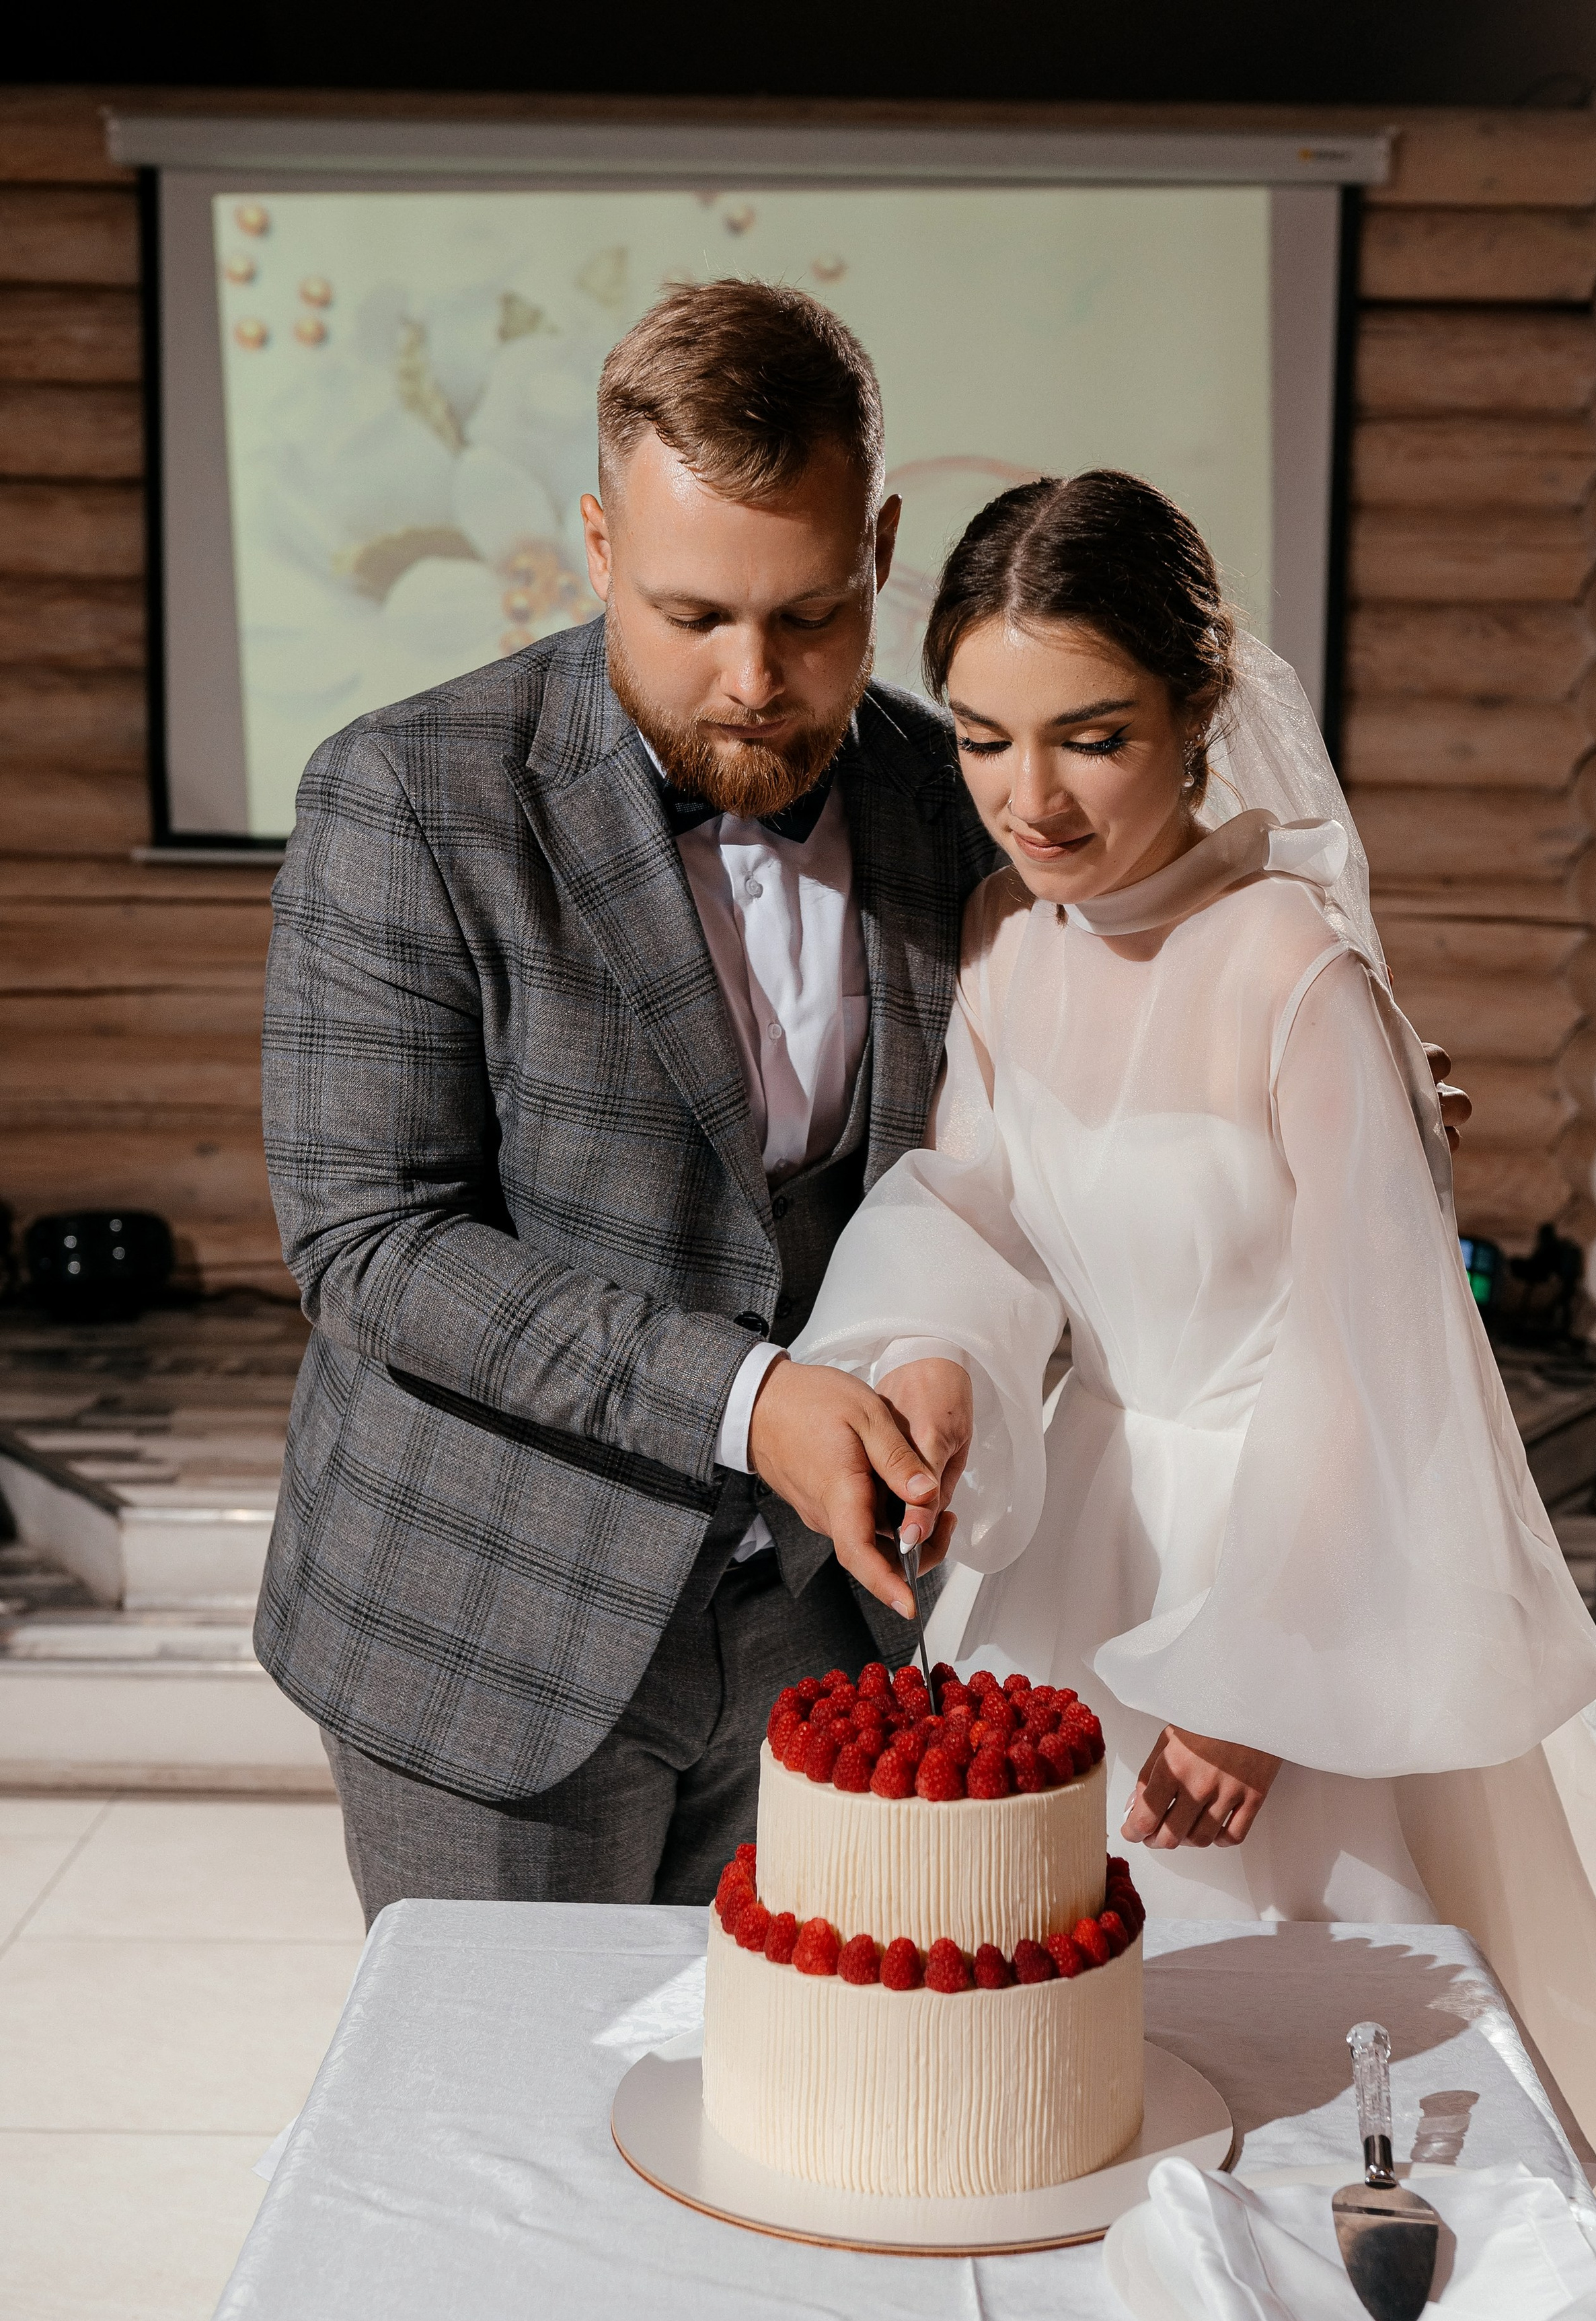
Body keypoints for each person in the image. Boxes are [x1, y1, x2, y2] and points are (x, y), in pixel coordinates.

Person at [259, 281, 1464, 1931]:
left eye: (811, 615)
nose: (755, 678)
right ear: (599, 546)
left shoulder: (958, 792)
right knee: (508, 2132)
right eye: (693, 617)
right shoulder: (409, 794)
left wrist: (1341, 1100)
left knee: (805, 2122)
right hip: (495, 1627)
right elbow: (372, 1244)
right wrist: (754, 1399)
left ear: (881, 548)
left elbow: (1074, 1097)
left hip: (839, 1639)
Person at [790, 468, 1596, 2321]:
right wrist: (936, 1362)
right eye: (982, 737)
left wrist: (1262, 1686)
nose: (1031, 798)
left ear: (1202, 715)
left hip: (1300, 1577)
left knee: (1311, 2084)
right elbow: (973, 1210)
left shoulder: (1298, 976)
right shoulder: (999, 944)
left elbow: (1389, 1354)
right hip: (1088, 1553)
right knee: (1056, 2070)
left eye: (1091, 739)